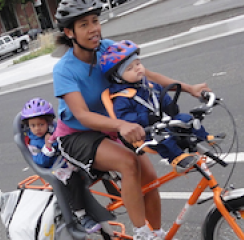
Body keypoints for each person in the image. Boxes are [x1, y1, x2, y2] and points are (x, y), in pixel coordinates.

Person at [52, 0, 210, 239]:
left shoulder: (108, 49)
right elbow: (82, 114)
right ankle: (141, 232)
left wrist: (190, 88)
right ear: (69, 32)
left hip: (115, 124)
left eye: (95, 21)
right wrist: (122, 125)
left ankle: (155, 233)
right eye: (84, 24)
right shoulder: (64, 69)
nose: (94, 28)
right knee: (128, 163)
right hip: (78, 134)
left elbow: (144, 75)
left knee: (150, 178)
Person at [100, 40, 220, 172]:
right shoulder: (122, 98)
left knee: (188, 119)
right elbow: (125, 118)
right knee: (163, 137)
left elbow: (162, 95)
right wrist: (145, 118)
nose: (137, 68)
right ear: (118, 78)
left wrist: (169, 106)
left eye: (138, 63)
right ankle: (176, 158)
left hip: (163, 121)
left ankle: (204, 137)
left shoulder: (148, 85)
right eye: (129, 69)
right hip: (146, 131)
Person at [20, 97, 101, 234]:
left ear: (49, 122)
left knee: (97, 162)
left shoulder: (56, 129)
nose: (37, 129)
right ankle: (81, 215)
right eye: (33, 125)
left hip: (71, 160)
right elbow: (40, 161)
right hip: (57, 168)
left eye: (41, 124)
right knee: (74, 182)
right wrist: (48, 147)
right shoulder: (33, 142)